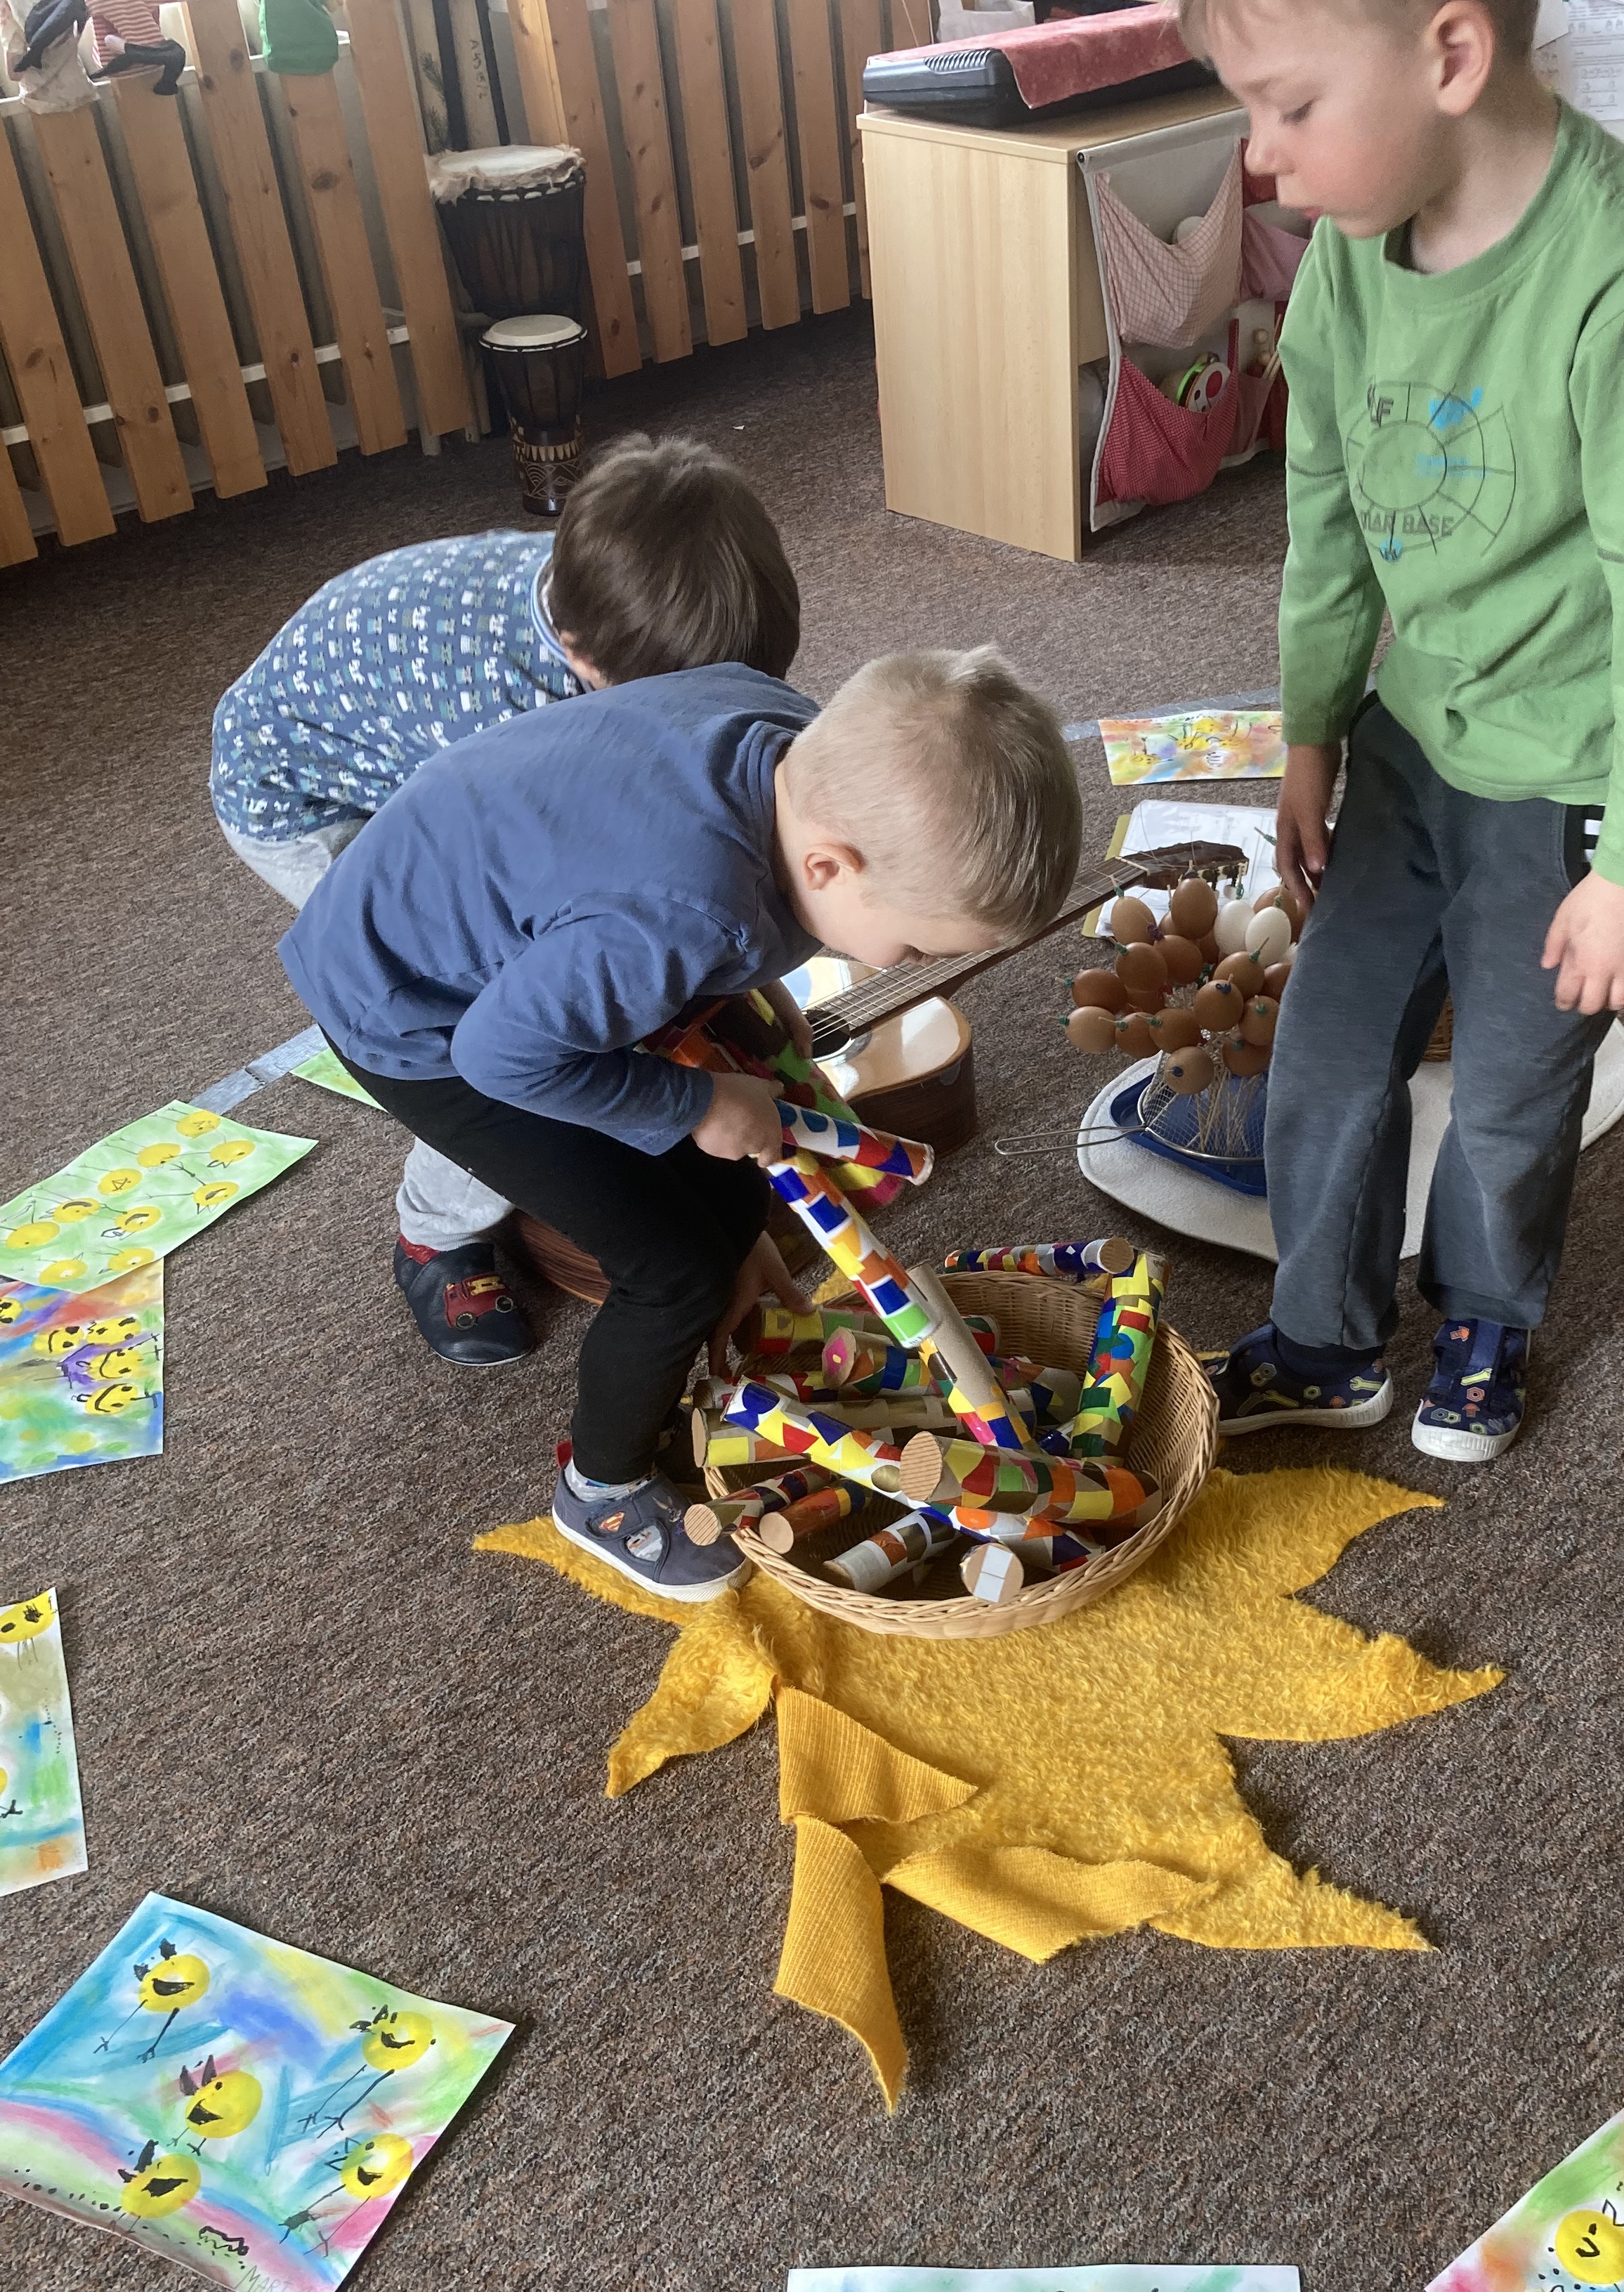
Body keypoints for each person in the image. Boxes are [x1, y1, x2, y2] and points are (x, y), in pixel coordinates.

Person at [1172, 0, 1624, 1458]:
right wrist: (1311, 733)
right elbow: (1326, 524)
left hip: (1566, 781)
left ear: (1449, 53)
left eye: (1291, 107)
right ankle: (1324, 1338)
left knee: (1513, 1089)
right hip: (1410, 744)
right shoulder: (1348, 256)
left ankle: (1487, 1322)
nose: (1258, 158)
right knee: (1326, 1050)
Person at [279, 648, 1082, 1601]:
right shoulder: (684, 915)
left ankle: (726, 1262)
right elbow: (502, 1057)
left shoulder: (795, 743)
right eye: (909, 947)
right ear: (829, 865)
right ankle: (600, 1489)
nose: (900, 965)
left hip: (510, 931)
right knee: (673, 1270)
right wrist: (694, 1103)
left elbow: (654, 870)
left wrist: (747, 1015)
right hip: (421, 1021)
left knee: (744, 1150)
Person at [211, 436, 801, 1368]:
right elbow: (533, 977)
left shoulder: (627, 605)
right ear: (578, 656)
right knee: (469, 1033)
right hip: (313, 807)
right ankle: (435, 1233)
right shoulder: (511, 709)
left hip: (401, 761)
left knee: (594, 1004)